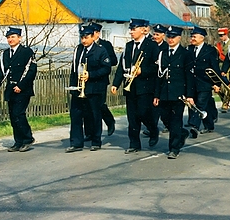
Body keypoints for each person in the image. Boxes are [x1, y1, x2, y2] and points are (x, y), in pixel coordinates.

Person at [111, 18, 160, 153]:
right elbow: (122, 66)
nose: (131, 32)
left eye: (134, 29)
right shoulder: (128, 46)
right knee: (132, 117)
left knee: (144, 113)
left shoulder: (151, 45)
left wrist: (142, 71)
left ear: (143, 30)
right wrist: (116, 83)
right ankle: (134, 144)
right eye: (131, 29)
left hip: (145, 87)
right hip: (130, 86)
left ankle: (153, 130)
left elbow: (157, 68)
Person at [0, 27, 37, 152]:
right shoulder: (5, 54)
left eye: (13, 37)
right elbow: (1, 72)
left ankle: (27, 138)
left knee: (18, 114)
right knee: (12, 116)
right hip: (10, 89)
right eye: (9, 37)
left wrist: (21, 86)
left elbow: (31, 72)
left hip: (23, 89)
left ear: (19, 38)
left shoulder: (27, 52)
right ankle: (18, 141)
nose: (10, 39)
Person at [66, 24, 111, 152]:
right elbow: (74, 69)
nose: (83, 40)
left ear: (92, 37)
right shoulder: (78, 49)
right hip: (79, 89)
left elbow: (106, 68)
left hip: (94, 88)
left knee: (94, 115)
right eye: (82, 38)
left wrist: (90, 75)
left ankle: (96, 141)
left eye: (86, 37)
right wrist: (74, 86)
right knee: (75, 115)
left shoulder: (100, 50)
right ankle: (76, 142)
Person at [153, 26, 194, 159]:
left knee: (176, 120)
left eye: (173, 37)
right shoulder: (163, 53)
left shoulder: (185, 54)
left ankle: (174, 148)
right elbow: (159, 77)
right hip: (165, 93)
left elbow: (189, 76)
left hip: (178, 94)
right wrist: (156, 95)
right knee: (165, 118)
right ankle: (181, 133)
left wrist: (189, 95)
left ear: (179, 38)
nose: (170, 40)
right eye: (169, 37)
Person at [186, 26, 221, 137]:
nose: (192, 38)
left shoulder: (210, 50)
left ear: (202, 38)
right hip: (192, 82)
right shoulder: (189, 49)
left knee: (200, 104)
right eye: (192, 36)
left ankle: (194, 126)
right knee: (199, 105)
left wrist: (217, 83)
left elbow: (215, 68)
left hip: (205, 82)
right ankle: (209, 125)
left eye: (194, 36)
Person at [89, 22, 116, 137]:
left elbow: (114, 61)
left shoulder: (106, 45)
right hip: (88, 79)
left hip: (101, 79)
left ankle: (109, 121)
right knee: (89, 106)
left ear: (98, 33)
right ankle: (90, 133)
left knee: (100, 104)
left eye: (93, 32)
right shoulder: (86, 44)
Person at [151, 24, 169, 134]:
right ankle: (153, 127)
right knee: (153, 106)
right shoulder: (151, 45)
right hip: (152, 79)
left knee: (162, 107)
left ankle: (168, 124)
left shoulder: (166, 47)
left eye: (157, 34)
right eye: (154, 34)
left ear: (163, 35)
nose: (155, 36)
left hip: (162, 79)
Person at [215, 27, 230, 112]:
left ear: (226, 34)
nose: (220, 37)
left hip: (228, 69)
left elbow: (229, 57)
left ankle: (225, 104)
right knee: (219, 88)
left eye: (222, 35)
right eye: (219, 35)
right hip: (219, 68)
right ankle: (223, 101)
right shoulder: (219, 44)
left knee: (226, 88)